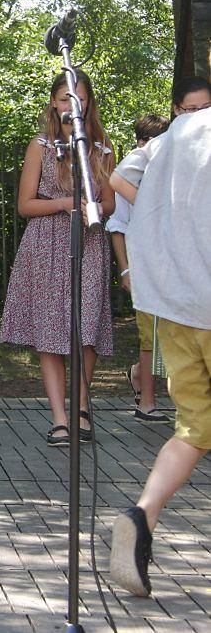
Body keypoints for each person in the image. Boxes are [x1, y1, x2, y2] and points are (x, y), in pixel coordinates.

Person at [107, 97, 211, 599]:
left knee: (193, 427)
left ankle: (141, 516)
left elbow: (118, 179)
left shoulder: (172, 138)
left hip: (176, 301)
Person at [0, 69, 116, 447]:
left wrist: (95, 207)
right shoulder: (41, 146)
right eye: (65, 98)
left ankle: (81, 410)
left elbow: (112, 201)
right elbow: (25, 205)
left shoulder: (101, 147)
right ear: (54, 102)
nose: (71, 106)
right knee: (51, 334)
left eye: (78, 99)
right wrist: (68, 204)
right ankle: (59, 418)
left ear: (89, 103)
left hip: (90, 244)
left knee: (87, 330)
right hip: (47, 243)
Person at [106, 114, 171, 423]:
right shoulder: (128, 178)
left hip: (174, 265)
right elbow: (117, 227)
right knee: (149, 334)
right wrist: (125, 270)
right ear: (140, 143)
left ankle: (137, 374)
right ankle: (147, 402)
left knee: (173, 332)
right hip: (144, 266)